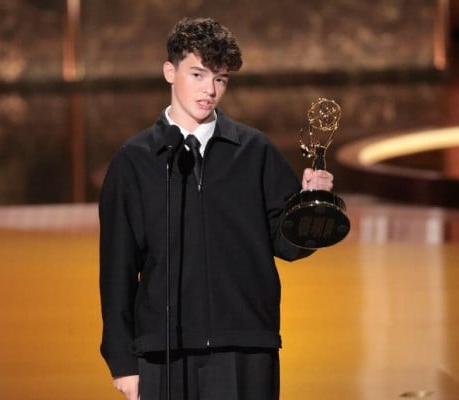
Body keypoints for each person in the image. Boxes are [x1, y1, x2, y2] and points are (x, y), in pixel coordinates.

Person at [99, 17, 334, 400]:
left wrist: (312, 208)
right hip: (164, 350)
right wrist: (123, 361)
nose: (209, 90)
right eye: (198, 75)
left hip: (245, 346)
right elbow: (117, 269)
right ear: (169, 72)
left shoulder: (255, 152)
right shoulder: (135, 161)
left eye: (220, 79)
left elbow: (289, 245)